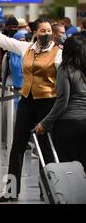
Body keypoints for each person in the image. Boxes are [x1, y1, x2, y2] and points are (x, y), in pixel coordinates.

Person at [0, 14, 62, 202]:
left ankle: (48, 190)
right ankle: (10, 192)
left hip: (48, 102)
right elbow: (3, 40)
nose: (46, 33)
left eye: (49, 31)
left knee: (45, 148)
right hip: (27, 99)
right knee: (17, 146)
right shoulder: (27, 48)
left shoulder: (58, 52)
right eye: (43, 31)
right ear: (35, 32)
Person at [36, 34, 86, 170]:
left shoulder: (65, 70)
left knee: (68, 168)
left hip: (67, 125)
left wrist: (44, 123)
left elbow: (62, 101)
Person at [0, 16, 19, 84]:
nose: (13, 29)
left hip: (15, 75)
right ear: (6, 27)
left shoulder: (19, 39)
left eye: (15, 27)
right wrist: (0, 67)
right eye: (11, 27)